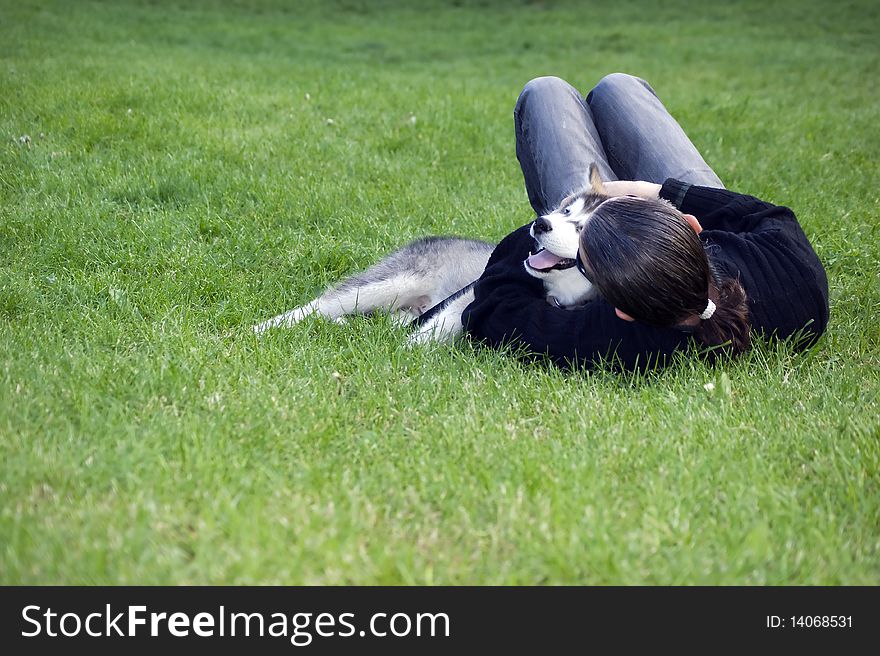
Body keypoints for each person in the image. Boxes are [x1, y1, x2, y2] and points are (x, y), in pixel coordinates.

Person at [461, 74, 829, 371]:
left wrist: (555, 226)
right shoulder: (790, 269)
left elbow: (494, 310)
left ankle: (589, 218)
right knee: (618, 88)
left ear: (621, 311)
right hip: (681, 226)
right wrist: (648, 189)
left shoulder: (617, 338)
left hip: (603, 240)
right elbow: (766, 216)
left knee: (545, 93)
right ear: (692, 225)